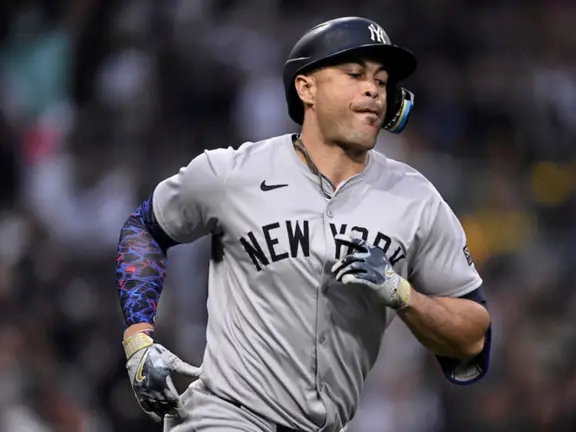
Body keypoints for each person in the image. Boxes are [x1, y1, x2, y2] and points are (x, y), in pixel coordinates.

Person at [115, 16, 492, 432]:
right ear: (306, 88)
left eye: (382, 82)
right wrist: (139, 340)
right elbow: (144, 228)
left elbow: (473, 337)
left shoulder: (415, 199)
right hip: (226, 417)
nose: (373, 89)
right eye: (355, 74)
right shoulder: (234, 173)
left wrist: (402, 293)